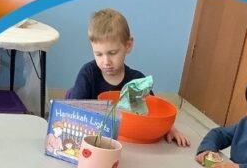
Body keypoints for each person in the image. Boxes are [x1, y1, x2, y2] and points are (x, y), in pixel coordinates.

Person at [66, 8, 190, 147]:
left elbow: (153, 114)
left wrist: (170, 129)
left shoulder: (137, 81)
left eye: (112, 53)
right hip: (96, 139)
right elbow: (73, 112)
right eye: (99, 54)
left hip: (127, 141)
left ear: (128, 45)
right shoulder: (88, 73)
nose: (106, 61)